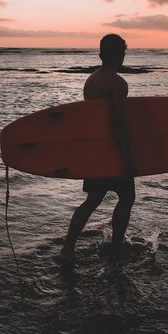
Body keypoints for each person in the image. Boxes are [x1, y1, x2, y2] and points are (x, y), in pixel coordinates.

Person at [57, 34, 135, 263]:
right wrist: (127, 156)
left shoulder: (91, 80)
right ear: (122, 56)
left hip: (95, 151)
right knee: (127, 196)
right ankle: (116, 248)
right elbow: (119, 121)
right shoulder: (118, 83)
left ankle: (67, 249)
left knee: (92, 201)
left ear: (100, 55)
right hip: (111, 151)